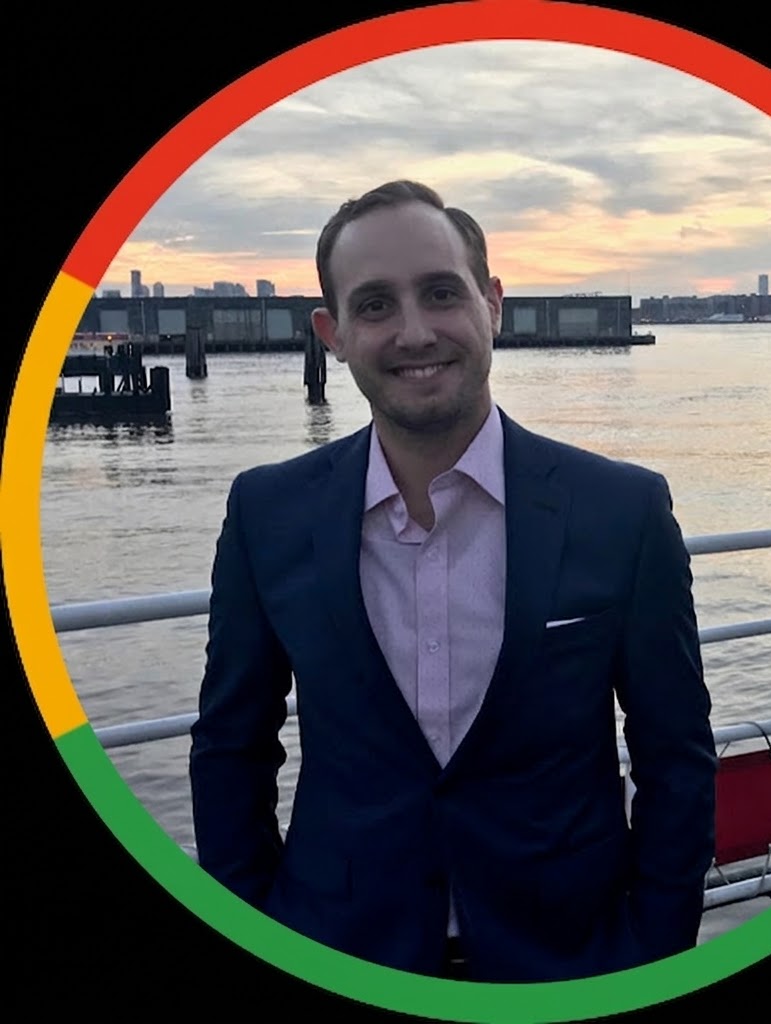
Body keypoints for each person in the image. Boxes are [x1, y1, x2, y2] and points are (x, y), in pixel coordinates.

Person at [189, 180, 717, 983]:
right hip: (335, 950)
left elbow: (675, 756)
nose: (414, 332)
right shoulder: (268, 514)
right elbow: (232, 748)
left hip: (571, 964)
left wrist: (653, 954)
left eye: (441, 293)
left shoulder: (621, 511)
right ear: (333, 334)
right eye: (375, 305)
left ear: (491, 303)